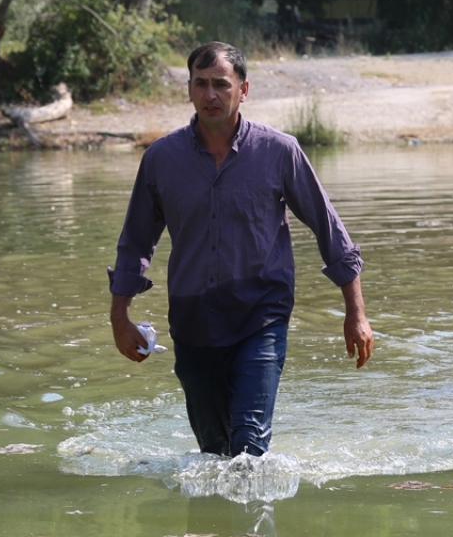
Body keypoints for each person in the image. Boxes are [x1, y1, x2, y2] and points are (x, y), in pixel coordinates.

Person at [108, 41, 373, 458]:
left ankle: (247, 525)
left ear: (243, 90)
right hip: (193, 320)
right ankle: (212, 526)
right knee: (214, 453)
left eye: (220, 84)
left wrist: (355, 312)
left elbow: (329, 229)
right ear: (189, 90)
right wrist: (119, 317)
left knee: (248, 449)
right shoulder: (162, 159)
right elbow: (136, 241)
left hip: (260, 316)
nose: (210, 95)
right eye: (200, 84)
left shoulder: (278, 152)